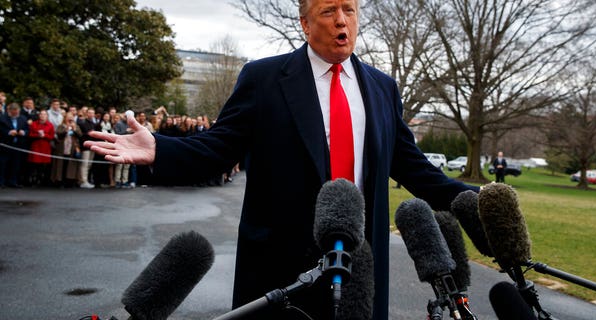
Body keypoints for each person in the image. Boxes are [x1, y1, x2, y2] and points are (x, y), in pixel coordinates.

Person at [86, 0, 479, 318]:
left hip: (360, 270)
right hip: (280, 271)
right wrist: (160, 148)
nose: (342, 20)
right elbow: (218, 148)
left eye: (349, 9)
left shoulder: (382, 88)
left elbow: (412, 166)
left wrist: (474, 202)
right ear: (305, 24)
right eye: (328, 11)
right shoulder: (264, 79)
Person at [0, 103, 29, 188]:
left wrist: (23, 132)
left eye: (17, 113)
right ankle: (1, 182)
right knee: (3, 165)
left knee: (16, 164)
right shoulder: (2, 119)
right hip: (5, 145)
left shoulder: (23, 119)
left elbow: (27, 129)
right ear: (9, 111)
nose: (16, 114)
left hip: (18, 145)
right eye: (14, 113)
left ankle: (13, 181)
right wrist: (8, 132)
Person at [27, 110, 55, 186]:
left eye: (44, 114)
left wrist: (45, 136)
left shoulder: (50, 125)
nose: (42, 116)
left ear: (47, 116)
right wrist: (37, 135)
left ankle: (41, 179)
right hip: (36, 146)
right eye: (41, 114)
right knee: (34, 164)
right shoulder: (34, 124)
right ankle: (32, 179)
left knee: (43, 165)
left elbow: (52, 136)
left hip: (45, 147)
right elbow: (30, 134)